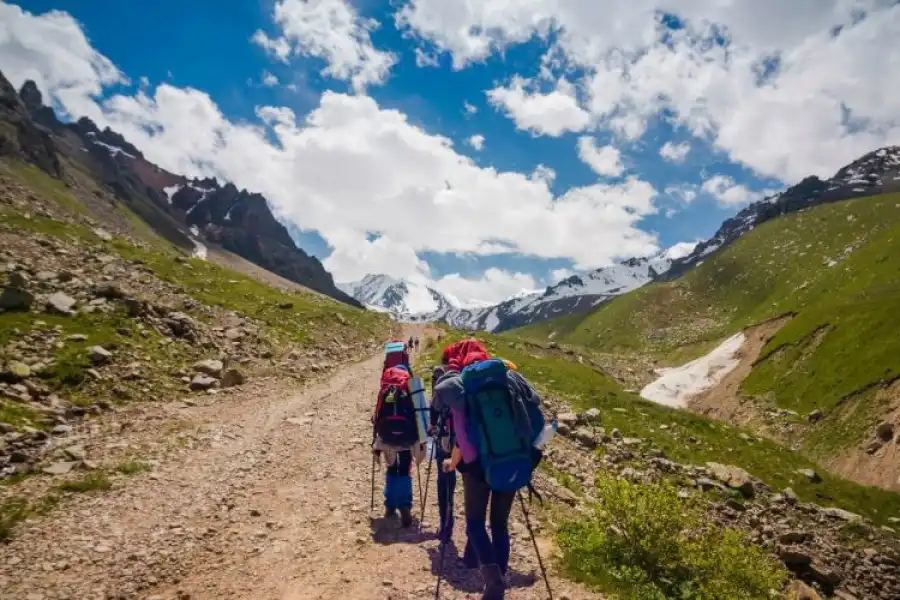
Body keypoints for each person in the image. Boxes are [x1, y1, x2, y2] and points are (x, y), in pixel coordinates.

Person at [437, 340, 543, 600]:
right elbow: (535, 417)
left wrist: (455, 462)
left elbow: (461, 435)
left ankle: (492, 579)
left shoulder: (462, 385)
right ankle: (501, 578)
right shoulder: (507, 377)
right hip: (512, 460)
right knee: (500, 524)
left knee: (474, 523)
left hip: (477, 469)